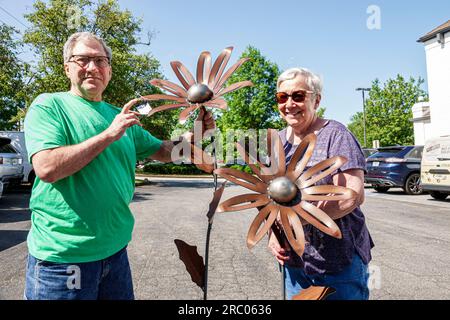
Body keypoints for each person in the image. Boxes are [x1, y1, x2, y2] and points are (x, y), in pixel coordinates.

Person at [23, 32, 214, 300]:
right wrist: (109, 134)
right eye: (83, 59)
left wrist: (195, 134)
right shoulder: (50, 106)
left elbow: (163, 151)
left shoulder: (120, 116)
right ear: (67, 67)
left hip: (115, 254)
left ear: (109, 71)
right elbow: (47, 167)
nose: (92, 67)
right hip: (64, 259)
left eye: (100, 60)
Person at [268, 67, 374, 300]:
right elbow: (270, 199)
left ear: (316, 100)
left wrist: (297, 221)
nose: (289, 104)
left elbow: (351, 196)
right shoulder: (277, 142)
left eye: (298, 96)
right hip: (295, 263)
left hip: (338, 263)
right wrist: (275, 234)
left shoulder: (336, 135)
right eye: (282, 97)